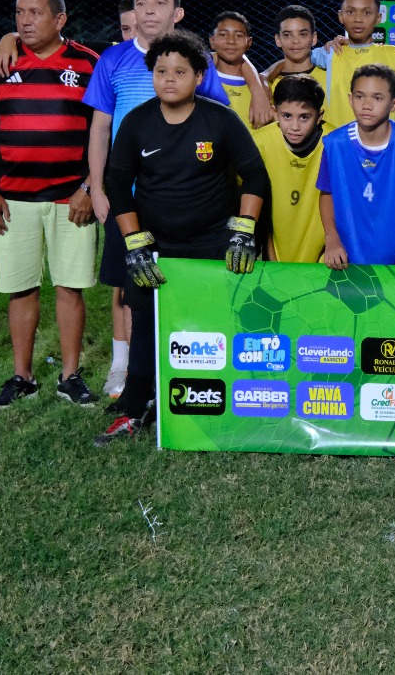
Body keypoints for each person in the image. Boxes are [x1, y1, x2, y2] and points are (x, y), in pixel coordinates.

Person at [98, 30, 269, 445]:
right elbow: (117, 184)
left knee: (216, 319)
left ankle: (223, 401)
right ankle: (136, 405)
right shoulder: (137, 122)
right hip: (154, 243)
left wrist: (244, 231)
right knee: (145, 322)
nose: (169, 79)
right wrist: (134, 242)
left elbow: (255, 176)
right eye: (161, 71)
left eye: (179, 72)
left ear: (198, 76)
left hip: (212, 240)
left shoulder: (220, 119)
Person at [84, 0, 231, 400]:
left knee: (183, 281)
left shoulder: (196, 59)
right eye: (142, 2)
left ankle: (183, 366)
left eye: (160, 2)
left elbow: (216, 124)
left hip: (183, 200)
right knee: (127, 286)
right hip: (127, 198)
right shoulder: (113, 60)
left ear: (177, 13)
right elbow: (100, 129)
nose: (148, 10)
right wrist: (98, 189)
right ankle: (125, 369)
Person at [0, 0, 101, 410]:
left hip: (71, 198)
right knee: (20, 288)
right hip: (14, 199)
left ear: (59, 19)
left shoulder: (88, 63)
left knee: (70, 287)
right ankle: (22, 376)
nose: (25, 21)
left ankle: (70, 376)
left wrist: (88, 188)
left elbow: (103, 132)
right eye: (19, 13)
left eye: (35, 13)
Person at [317, 63, 395, 271]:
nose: (366, 105)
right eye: (360, 96)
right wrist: (331, 238)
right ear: (350, 99)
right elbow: (327, 193)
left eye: (377, 98)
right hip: (348, 261)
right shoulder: (334, 144)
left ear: (394, 104)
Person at [271, 0, 395, 127]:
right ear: (341, 16)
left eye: (366, 13)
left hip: (382, 139)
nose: (358, 19)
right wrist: (264, 78)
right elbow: (292, 58)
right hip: (337, 138)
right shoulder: (330, 53)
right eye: (351, 12)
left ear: (378, 18)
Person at [253, 74, 330, 262]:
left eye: (304, 117)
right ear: (275, 112)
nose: (295, 126)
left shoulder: (334, 144)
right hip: (272, 255)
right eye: (287, 116)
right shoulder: (259, 143)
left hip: (324, 258)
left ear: (319, 116)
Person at [208, 10, 269, 129]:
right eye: (223, 34)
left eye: (239, 36)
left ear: (249, 42)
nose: (231, 41)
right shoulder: (201, 78)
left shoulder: (262, 86)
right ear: (212, 40)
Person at [261, 4, 327, 90]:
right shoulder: (266, 87)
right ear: (278, 40)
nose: (295, 41)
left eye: (303, 34)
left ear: (314, 38)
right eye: (287, 35)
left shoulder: (331, 77)